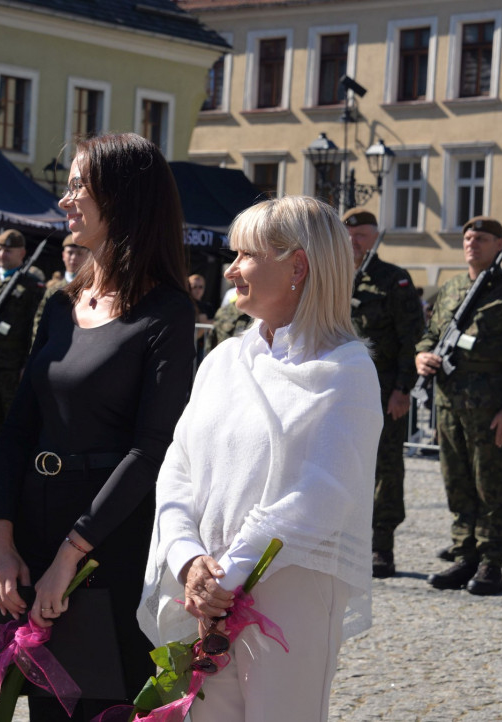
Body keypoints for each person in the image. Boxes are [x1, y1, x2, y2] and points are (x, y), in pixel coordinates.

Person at [138, 196, 382, 722]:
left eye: (246, 255)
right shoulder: (225, 359)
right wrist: (185, 556)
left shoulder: (347, 370)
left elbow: (322, 492)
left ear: (298, 266)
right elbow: (178, 463)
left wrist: (228, 572)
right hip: (206, 593)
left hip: (288, 595)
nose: (230, 269)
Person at [0, 132, 196, 720]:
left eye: (79, 186)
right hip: (34, 527)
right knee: (47, 706)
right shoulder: (59, 303)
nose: (66, 200)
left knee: (101, 703)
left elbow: (151, 448)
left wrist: (71, 554)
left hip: (111, 540)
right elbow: (18, 426)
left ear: (123, 199)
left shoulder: (168, 314)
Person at [417, 215, 502, 596]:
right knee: (455, 482)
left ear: (499, 244)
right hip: (449, 404)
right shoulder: (453, 286)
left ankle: (491, 561)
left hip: (491, 409)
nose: (472, 243)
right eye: (469, 237)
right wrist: (421, 356)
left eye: (483, 238)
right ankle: (465, 553)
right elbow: (429, 334)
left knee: (489, 484)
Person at [344, 208, 424, 578]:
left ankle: (382, 547)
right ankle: (346, 543)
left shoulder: (394, 279)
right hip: (339, 391)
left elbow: (411, 337)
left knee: (385, 468)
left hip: (381, 388)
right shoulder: (336, 276)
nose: (354, 241)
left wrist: (403, 389)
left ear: (374, 237)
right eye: (349, 234)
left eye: (361, 234)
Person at [0, 228, 45, 499]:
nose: (2, 254)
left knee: (13, 429)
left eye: (9, 250)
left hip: (13, 369)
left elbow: (35, 328)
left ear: (22, 254)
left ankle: (15, 483)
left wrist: (28, 363)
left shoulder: (31, 286)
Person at [33, 234, 89, 339]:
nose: (73, 258)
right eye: (70, 253)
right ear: (63, 255)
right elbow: (40, 322)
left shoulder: (92, 287)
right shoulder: (53, 289)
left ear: (88, 256)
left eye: (79, 253)